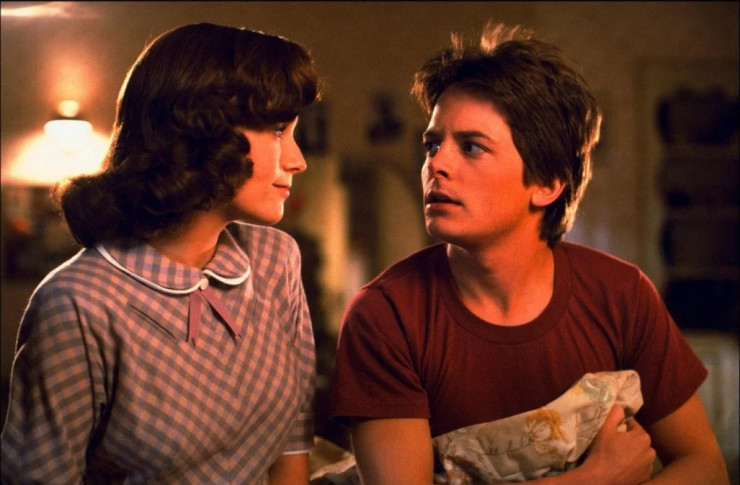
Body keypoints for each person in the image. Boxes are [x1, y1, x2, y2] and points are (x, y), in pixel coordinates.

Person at [330, 21, 729, 485]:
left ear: (547, 184)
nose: (436, 163)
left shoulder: (621, 295)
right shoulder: (386, 314)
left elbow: (706, 466)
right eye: (433, 144)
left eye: (472, 147)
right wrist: (595, 479)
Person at [1, 22, 321, 484]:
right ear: (203, 129)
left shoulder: (276, 260)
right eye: (277, 131)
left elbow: (292, 444)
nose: (298, 160)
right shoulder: (77, 303)